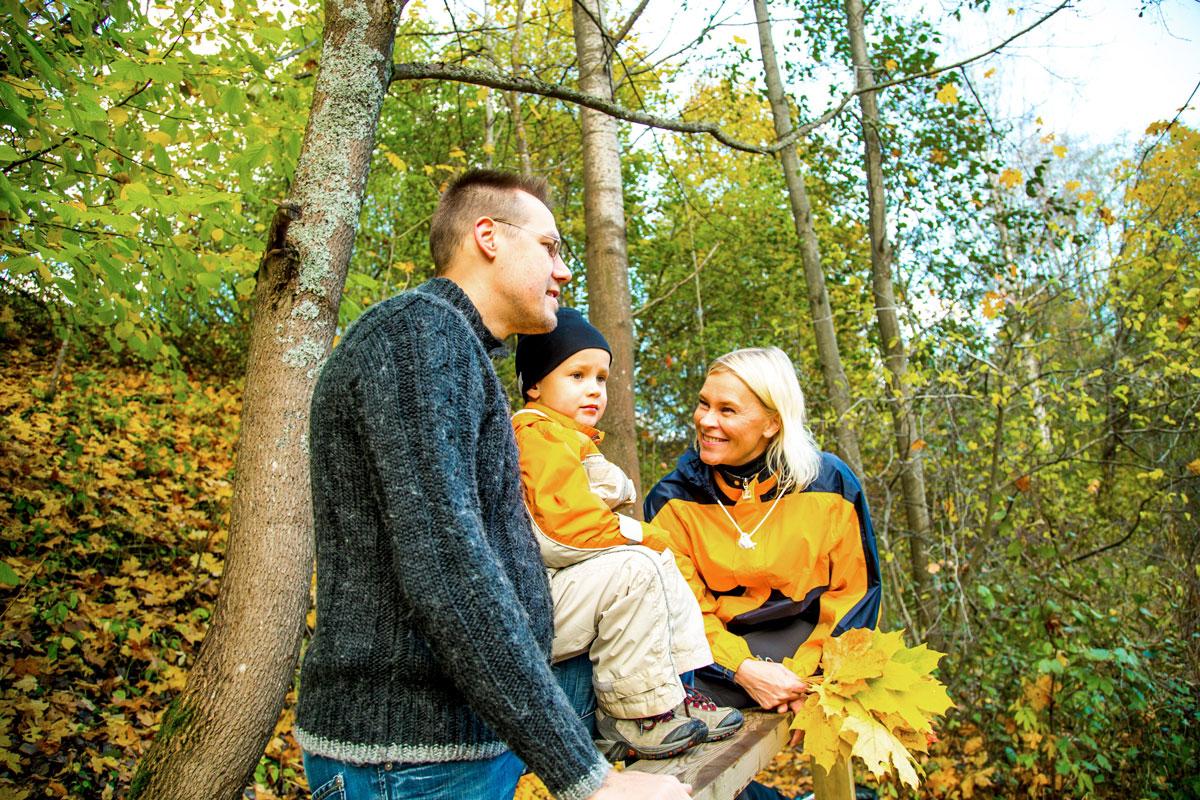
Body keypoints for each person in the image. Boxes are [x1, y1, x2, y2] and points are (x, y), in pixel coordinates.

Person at [295, 170, 691, 800]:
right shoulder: (419, 337)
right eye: (550, 247)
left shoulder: (451, 348)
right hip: (411, 762)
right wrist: (587, 780)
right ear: (488, 236)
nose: (563, 271)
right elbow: (447, 566)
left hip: (452, 750)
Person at [644, 347, 881, 800]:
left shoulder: (830, 482)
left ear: (772, 422)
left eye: (727, 410)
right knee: (675, 770)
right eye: (704, 403)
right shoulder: (671, 500)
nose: (706, 421)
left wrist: (808, 678)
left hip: (817, 651)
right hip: (716, 662)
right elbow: (685, 612)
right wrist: (744, 670)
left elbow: (856, 593)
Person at [512, 307, 744, 761]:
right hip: (536, 597)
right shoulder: (534, 434)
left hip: (568, 586)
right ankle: (633, 714)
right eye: (576, 375)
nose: (594, 390)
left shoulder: (571, 437)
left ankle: (677, 695)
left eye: (601, 378)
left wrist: (641, 535)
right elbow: (558, 532)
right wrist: (633, 532)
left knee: (659, 560)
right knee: (638, 566)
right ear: (535, 384)